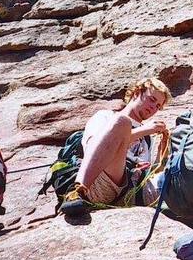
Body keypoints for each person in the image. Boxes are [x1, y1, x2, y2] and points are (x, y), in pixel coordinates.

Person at [60, 78, 172, 217]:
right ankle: (77, 190)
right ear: (137, 92)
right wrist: (145, 130)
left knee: (179, 168)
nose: (153, 108)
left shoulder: (148, 138)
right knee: (122, 122)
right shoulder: (107, 117)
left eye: (158, 106)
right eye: (152, 99)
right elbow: (92, 145)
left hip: (130, 191)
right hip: (100, 183)